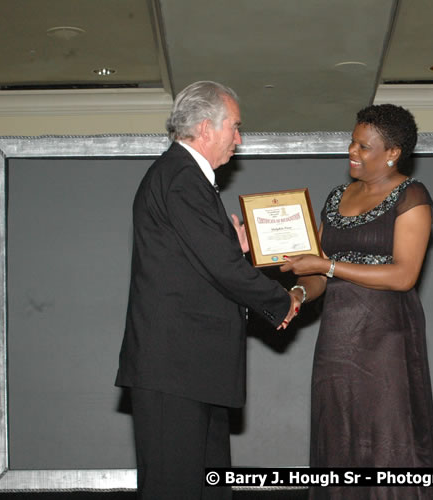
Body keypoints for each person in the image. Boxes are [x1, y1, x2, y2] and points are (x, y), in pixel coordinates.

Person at [115, 81, 300, 500]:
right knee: (175, 489)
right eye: (235, 127)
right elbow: (220, 267)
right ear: (206, 128)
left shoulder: (184, 178)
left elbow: (200, 261)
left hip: (192, 369)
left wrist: (228, 248)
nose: (239, 138)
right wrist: (281, 300)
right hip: (175, 369)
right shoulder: (182, 178)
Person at [281, 104, 433, 499]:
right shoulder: (336, 197)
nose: (352, 151)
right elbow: (316, 273)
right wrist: (298, 293)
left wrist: (328, 265)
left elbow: (404, 275)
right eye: (352, 142)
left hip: (386, 340)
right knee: (338, 440)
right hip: (337, 340)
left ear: (392, 153)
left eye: (364, 146)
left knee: (390, 442)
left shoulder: (412, 196)